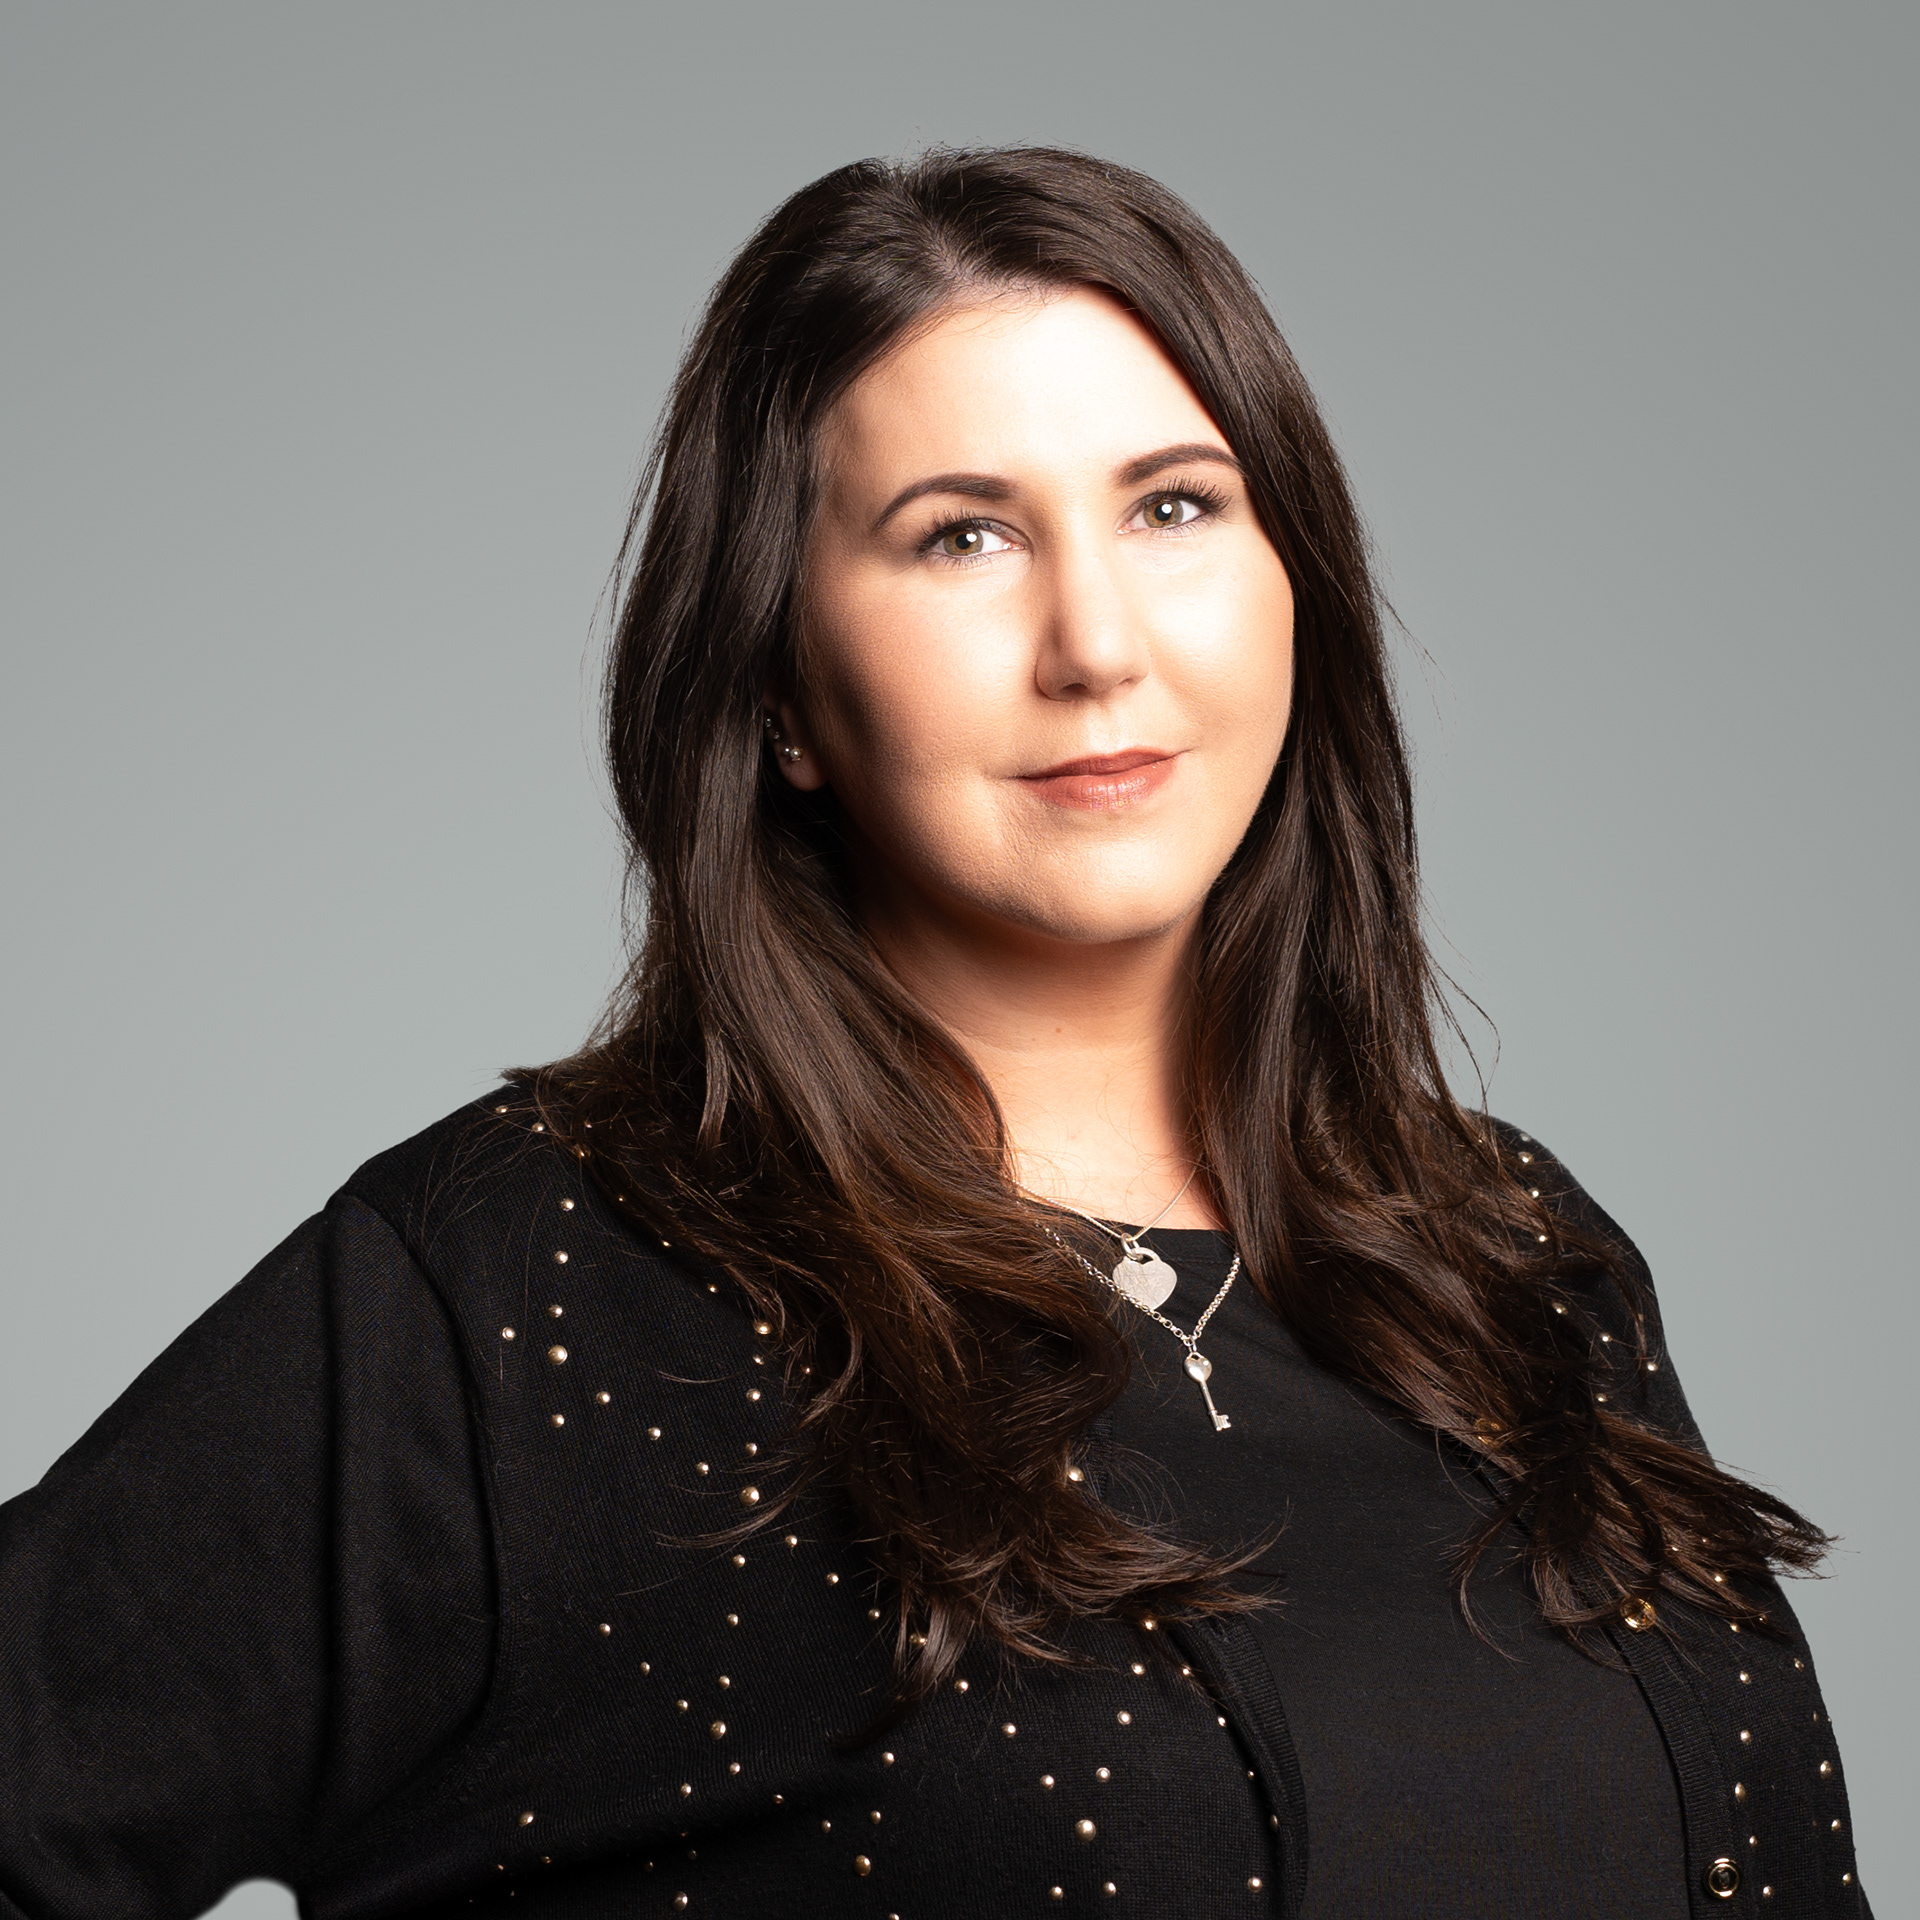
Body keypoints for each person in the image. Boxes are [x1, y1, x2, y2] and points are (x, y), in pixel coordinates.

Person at [0, 147, 1869, 1920]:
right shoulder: (522, 1288)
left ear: (1295, 577)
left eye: (1172, 506)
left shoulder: (1512, 1251)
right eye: (963, 536)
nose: (1099, 641)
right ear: (782, 688)